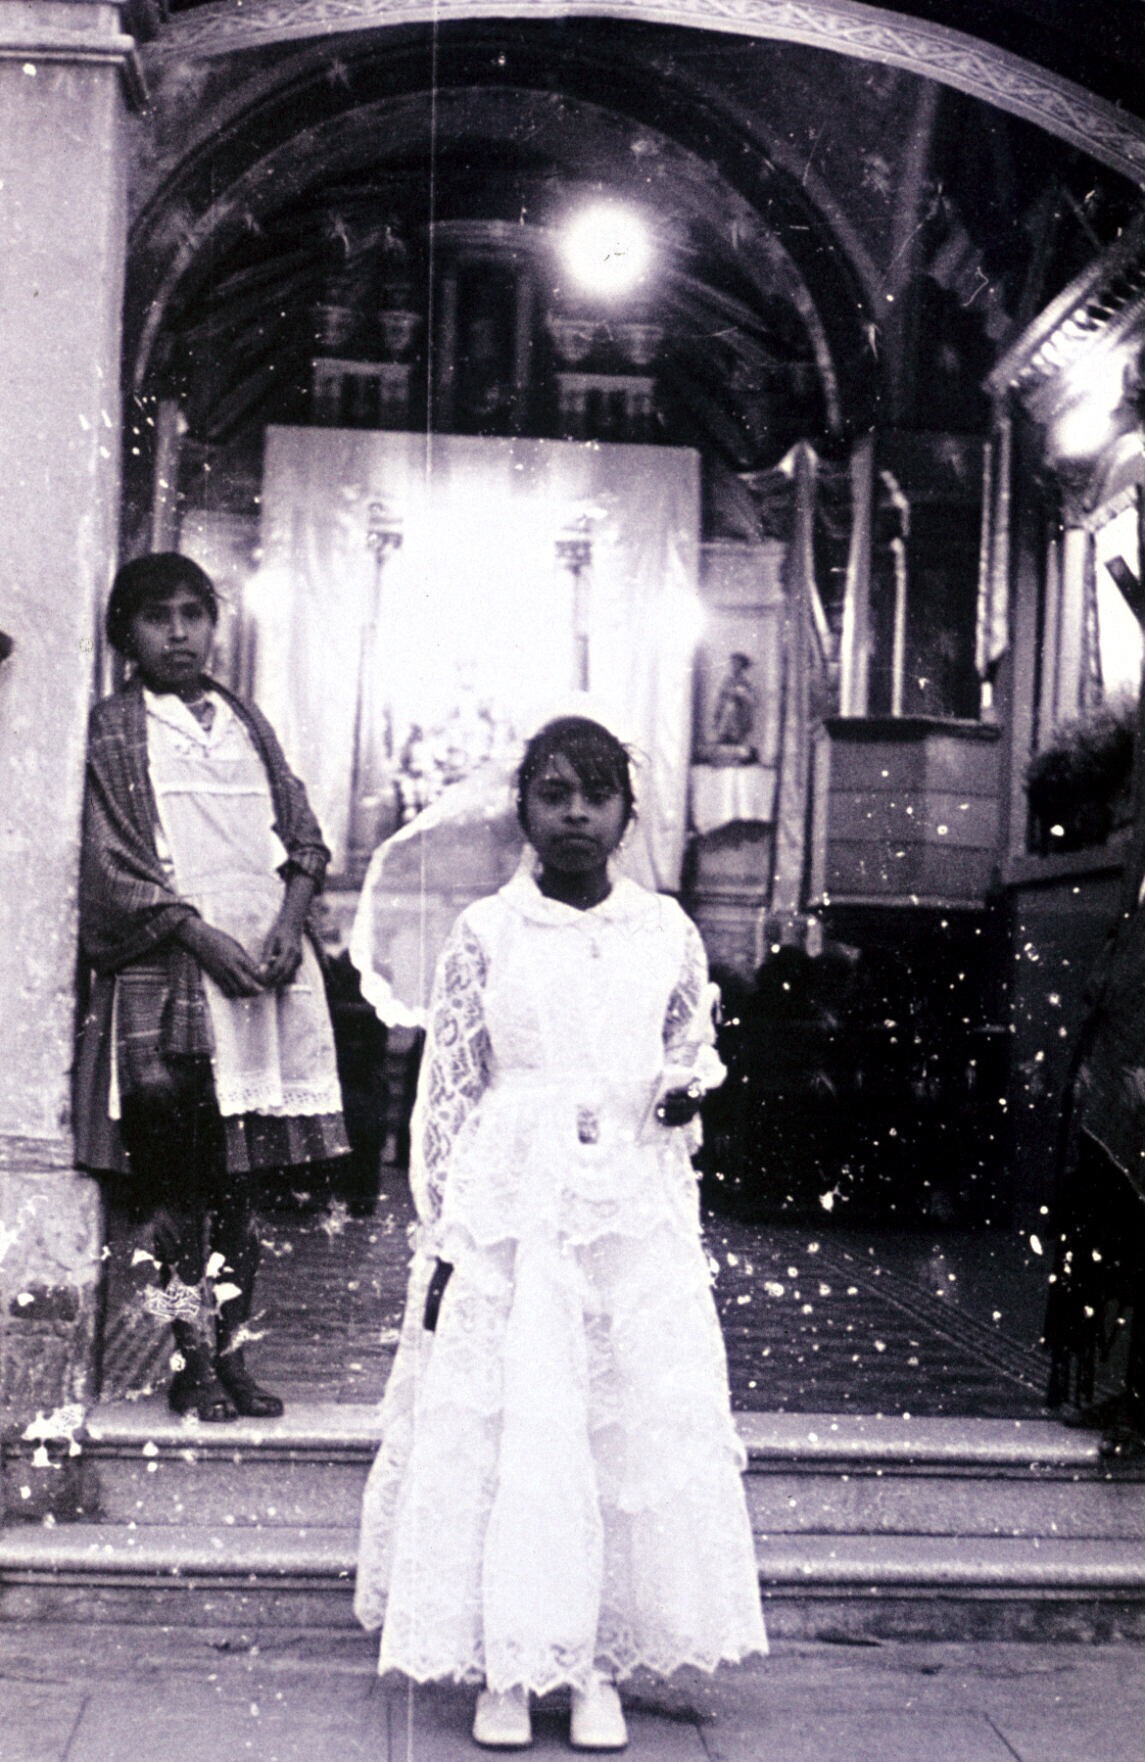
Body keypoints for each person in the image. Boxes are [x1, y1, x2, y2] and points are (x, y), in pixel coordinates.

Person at [354, 714, 766, 1752]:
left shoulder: (664, 930)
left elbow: (688, 1041)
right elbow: (448, 1091)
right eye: (553, 793)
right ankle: (506, 1661)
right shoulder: (485, 933)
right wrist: (443, 1234)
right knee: (517, 1421)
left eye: (595, 795)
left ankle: (593, 1665)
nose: (575, 813)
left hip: (625, 1200)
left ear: (626, 814)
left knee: (610, 1422)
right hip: (514, 1202)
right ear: (524, 809)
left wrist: (680, 1089)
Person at [74, 553, 349, 1422]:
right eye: (158, 617)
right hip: (172, 981)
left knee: (241, 1194)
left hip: (260, 982)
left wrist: (288, 925)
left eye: (194, 614)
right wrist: (198, 935)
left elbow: (303, 838)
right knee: (174, 1194)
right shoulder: (117, 729)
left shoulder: (244, 720)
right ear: (125, 632)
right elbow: (110, 867)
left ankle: (230, 1354)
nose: (179, 633)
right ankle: (185, 1359)